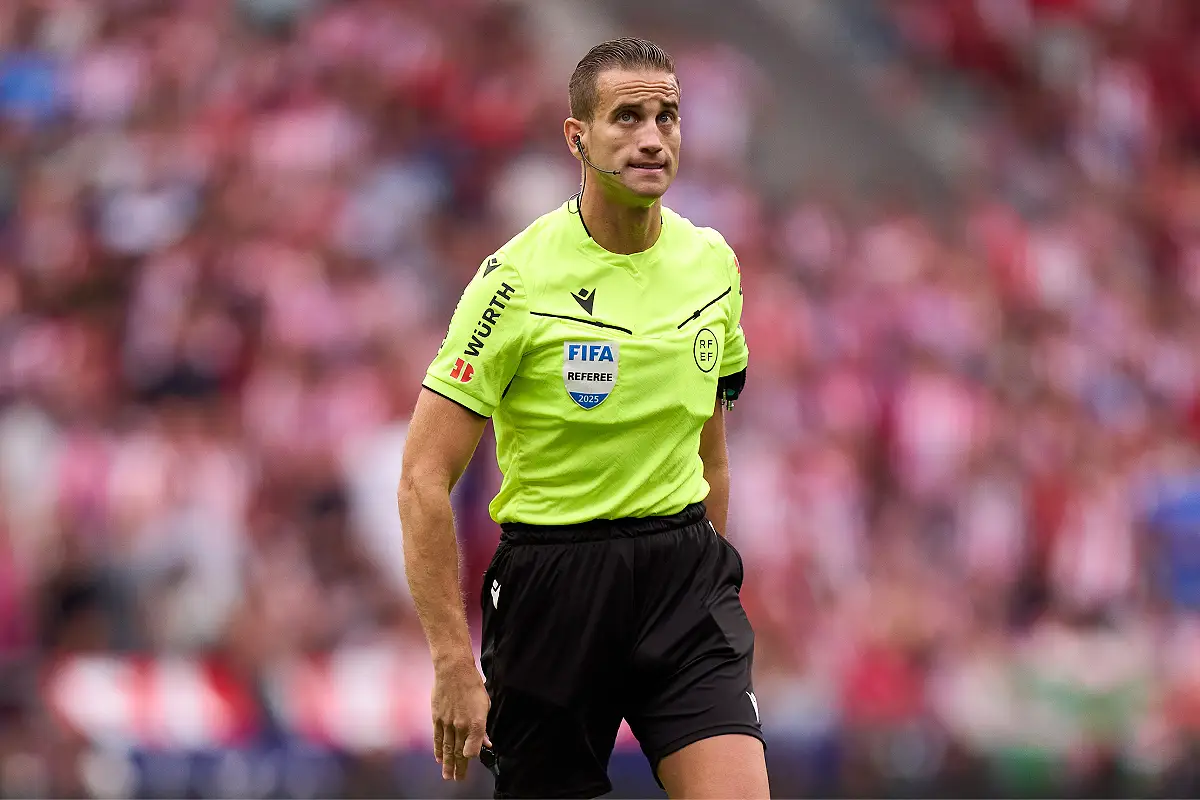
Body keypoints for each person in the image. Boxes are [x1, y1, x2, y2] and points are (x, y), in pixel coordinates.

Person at [398, 37, 768, 799]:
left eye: (666, 116)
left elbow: (714, 457)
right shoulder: (513, 282)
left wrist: (714, 588)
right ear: (578, 138)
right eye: (626, 117)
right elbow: (422, 478)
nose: (651, 137)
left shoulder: (712, 266)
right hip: (554, 588)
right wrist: (450, 660)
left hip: (683, 581)